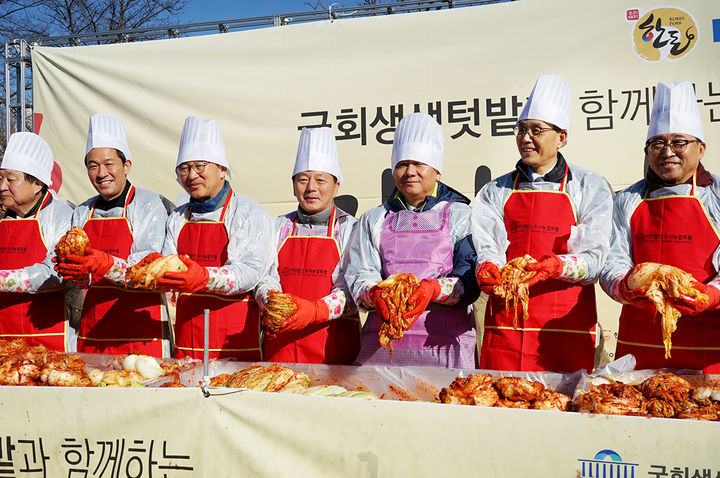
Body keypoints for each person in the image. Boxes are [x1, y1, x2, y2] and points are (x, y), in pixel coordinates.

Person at [472, 74, 612, 373]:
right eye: (521, 130)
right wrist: (486, 267)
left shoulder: (589, 186)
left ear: (561, 137)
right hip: (506, 327)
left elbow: (596, 260)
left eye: (536, 130)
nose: (526, 138)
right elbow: (488, 247)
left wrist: (556, 266)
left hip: (564, 329)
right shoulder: (495, 191)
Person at [600, 81, 720, 371]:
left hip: (709, 345)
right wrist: (625, 288)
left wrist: (711, 295)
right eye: (658, 144)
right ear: (647, 150)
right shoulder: (628, 199)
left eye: (679, 142)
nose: (668, 152)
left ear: (701, 148)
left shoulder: (716, 195)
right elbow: (610, 261)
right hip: (639, 347)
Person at [344, 112, 479, 368]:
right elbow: (360, 274)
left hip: (446, 350)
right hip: (383, 351)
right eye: (402, 164)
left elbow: (469, 276)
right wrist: (375, 294)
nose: (410, 172)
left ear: (437, 171)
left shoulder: (461, 215)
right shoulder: (374, 219)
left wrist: (432, 289)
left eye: (419, 164)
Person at [156, 116, 274, 360]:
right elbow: (167, 266)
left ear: (222, 169)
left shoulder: (247, 212)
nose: (192, 175)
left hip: (235, 346)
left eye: (200, 166)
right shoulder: (178, 217)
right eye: (185, 168)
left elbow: (249, 273)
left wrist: (201, 276)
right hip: (187, 342)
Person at [56, 113, 171, 357]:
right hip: (95, 326)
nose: (101, 173)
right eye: (93, 166)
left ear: (126, 165)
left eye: (109, 164)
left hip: (141, 327)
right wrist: (79, 278)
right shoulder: (83, 211)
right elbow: (83, 279)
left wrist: (102, 263)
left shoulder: (148, 203)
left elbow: (146, 265)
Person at [255, 127, 360, 364]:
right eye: (303, 180)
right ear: (294, 186)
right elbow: (264, 275)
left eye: (320, 180)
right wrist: (272, 300)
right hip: (279, 350)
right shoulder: (277, 226)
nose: (311, 187)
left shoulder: (350, 229)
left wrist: (313, 311)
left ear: (336, 185)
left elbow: (353, 290)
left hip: (333, 354)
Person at [0, 132, 75, 351]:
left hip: (49, 339)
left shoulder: (62, 215)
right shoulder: (4, 219)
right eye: (0, 178)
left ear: (37, 184)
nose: (2, 186)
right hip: (5, 338)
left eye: (10, 179)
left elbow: (54, 273)